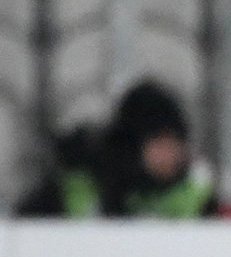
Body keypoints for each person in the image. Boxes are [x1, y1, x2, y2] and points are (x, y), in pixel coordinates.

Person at [16, 79, 216, 218]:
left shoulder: (194, 195)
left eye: (176, 144)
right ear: (133, 146)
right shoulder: (78, 190)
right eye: (159, 144)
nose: (170, 155)